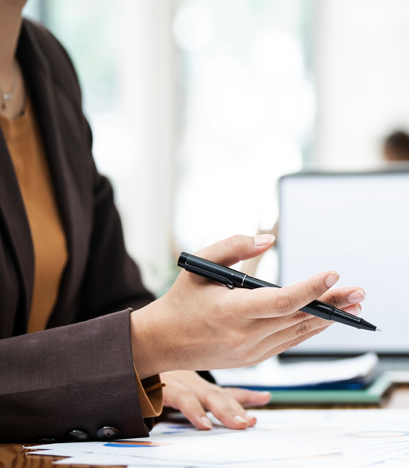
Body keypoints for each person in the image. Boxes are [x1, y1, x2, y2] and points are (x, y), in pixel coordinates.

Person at [0, 2, 366, 442]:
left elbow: (108, 295)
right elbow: (134, 333)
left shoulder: (45, 59)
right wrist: (143, 348)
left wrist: (162, 363)